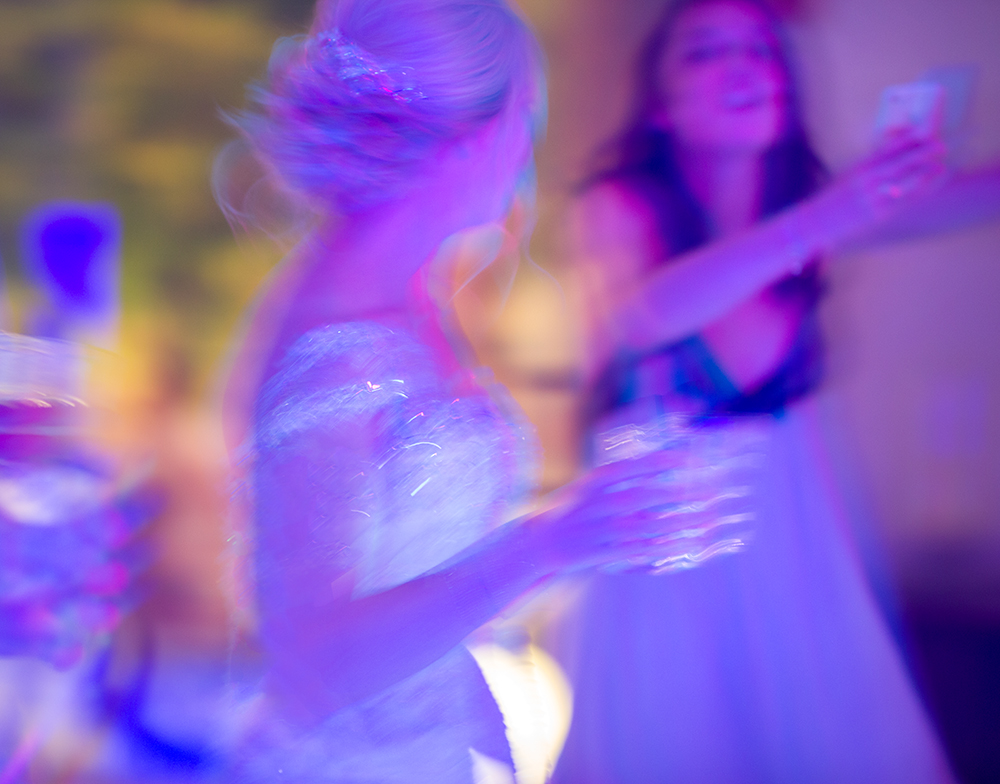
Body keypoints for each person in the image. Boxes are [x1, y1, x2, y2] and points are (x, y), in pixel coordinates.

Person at [215, 1, 736, 781]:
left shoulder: (416, 298)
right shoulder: (333, 352)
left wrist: (579, 539)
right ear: (473, 140)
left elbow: (423, 570)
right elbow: (313, 667)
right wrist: (552, 540)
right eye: (527, 122)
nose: (527, 156)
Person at [553, 0, 1000, 781]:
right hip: (673, 579)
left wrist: (863, 199)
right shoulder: (619, 208)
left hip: (798, 563)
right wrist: (833, 215)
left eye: (759, 51)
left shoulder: (811, 217)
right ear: (661, 104)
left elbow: (975, 195)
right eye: (705, 52)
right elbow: (646, 312)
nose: (743, 67)